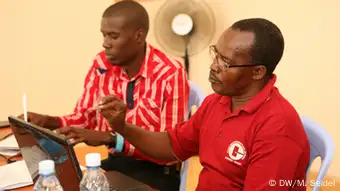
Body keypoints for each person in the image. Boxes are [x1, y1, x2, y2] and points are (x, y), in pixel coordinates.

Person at [71, 18, 311, 191]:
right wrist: (122, 126)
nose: (214, 66)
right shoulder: (217, 102)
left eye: (226, 62)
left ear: (258, 72)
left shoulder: (277, 129)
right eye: (216, 54)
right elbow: (170, 146)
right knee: (107, 182)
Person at [21, 1, 189, 191]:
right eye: (104, 35)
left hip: (157, 173)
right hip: (116, 163)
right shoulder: (101, 63)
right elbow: (86, 117)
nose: (105, 43)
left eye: (113, 36)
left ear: (139, 36)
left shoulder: (170, 72)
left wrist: (110, 138)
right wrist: (48, 121)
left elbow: (171, 151)